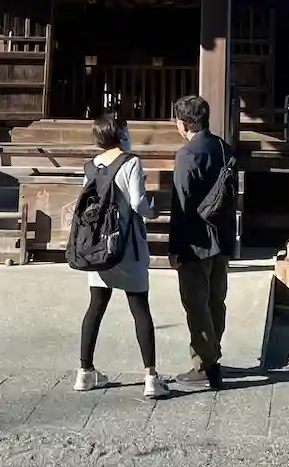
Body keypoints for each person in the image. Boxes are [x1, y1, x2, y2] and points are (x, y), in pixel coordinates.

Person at [75, 111, 169, 399]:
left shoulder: (91, 166)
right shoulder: (130, 162)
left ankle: (85, 372)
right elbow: (138, 202)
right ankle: (151, 377)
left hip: (98, 247)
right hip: (127, 246)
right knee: (140, 307)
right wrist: (152, 211)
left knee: (95, 307)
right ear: (122, 134)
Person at [167, 94, 237, 389]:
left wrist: (174, 248)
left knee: (196, 306)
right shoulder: (223, 147)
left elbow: (181, 206)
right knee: (215, 302)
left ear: (183, 123)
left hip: (195, 241)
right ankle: (210, 355)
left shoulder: (186, 155)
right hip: (221, 237)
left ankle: (208, 366)